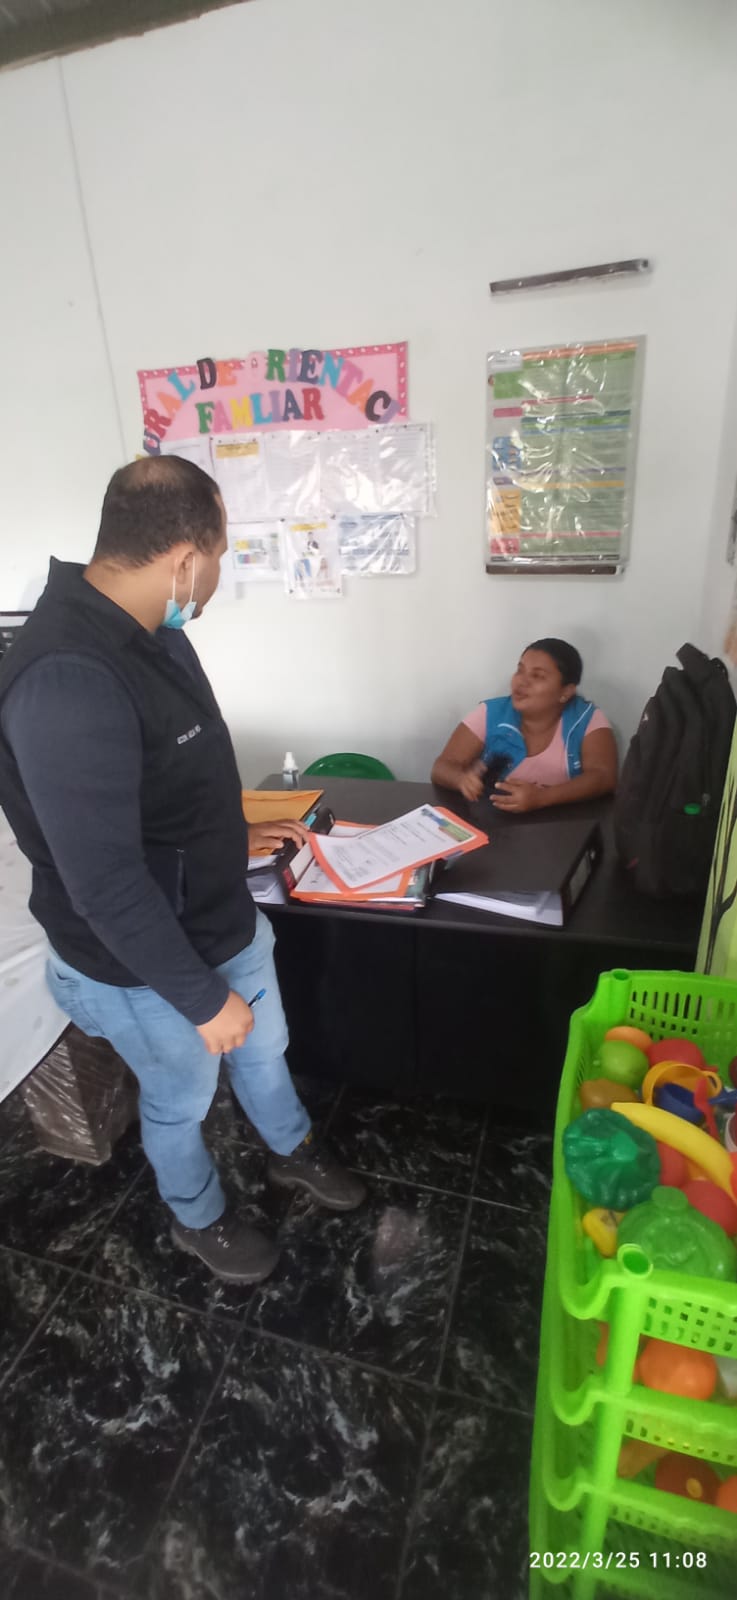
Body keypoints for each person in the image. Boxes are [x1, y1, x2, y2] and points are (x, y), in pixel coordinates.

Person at [0, 457, 365, 1285]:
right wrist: (201, 999)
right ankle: (198, 1215)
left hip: (219, 916)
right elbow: (103, 884)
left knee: (265, 1049)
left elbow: (175, 779)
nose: (218, 575)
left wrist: (236, 833)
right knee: (180, 1098)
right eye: (222, 555)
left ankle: (291, 1148)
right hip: (141, 965)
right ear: (185, 559)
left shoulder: (153, 632)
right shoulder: (66, 681)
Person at [431, 637, 617, 813]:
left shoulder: (587, 719)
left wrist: (542, 798)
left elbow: (604, 776)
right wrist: (461, 779)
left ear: (566, 692)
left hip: (563, 825)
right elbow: (442, 767)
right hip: (494, 822)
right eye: (520, 670)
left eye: (537, 676)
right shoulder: (491, 712)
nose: (521, 681)